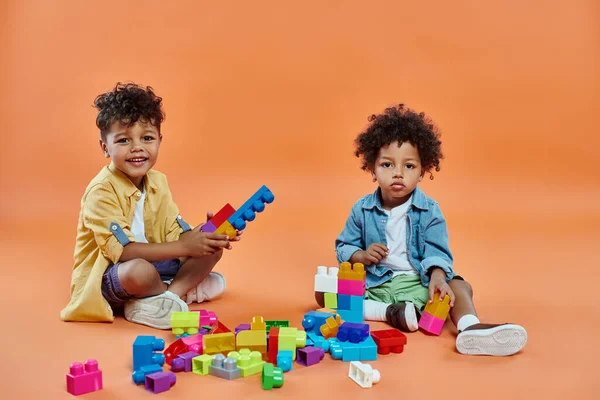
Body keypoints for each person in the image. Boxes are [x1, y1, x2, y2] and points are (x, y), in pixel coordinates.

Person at [332, 104, 527, 356]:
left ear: (423, 172)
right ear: (372, 169)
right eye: (387, 165)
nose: (398, 174)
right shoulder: (362, 209)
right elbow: (344, 246)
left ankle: (469, 328)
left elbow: (437, 252)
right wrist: (362, 255)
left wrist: (437, 278)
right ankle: (391, 313)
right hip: (376, 284)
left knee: (459, 285)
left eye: (409, 166)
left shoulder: (429, 210)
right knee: (327, 293)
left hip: (417, 283)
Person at [60, 82, 237, 329]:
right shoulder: (100, 191)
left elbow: (175, 233)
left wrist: (205, 235)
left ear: (159, 140)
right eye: (123, 140)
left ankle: (168, 298)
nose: (137, 147)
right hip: (116, 274)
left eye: (147, 138)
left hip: (156, 266)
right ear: (105, 147)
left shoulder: (158, 181)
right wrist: (184, 245)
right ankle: (177, 293)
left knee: (210, 249)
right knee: (139, 271)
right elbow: (123, 252)